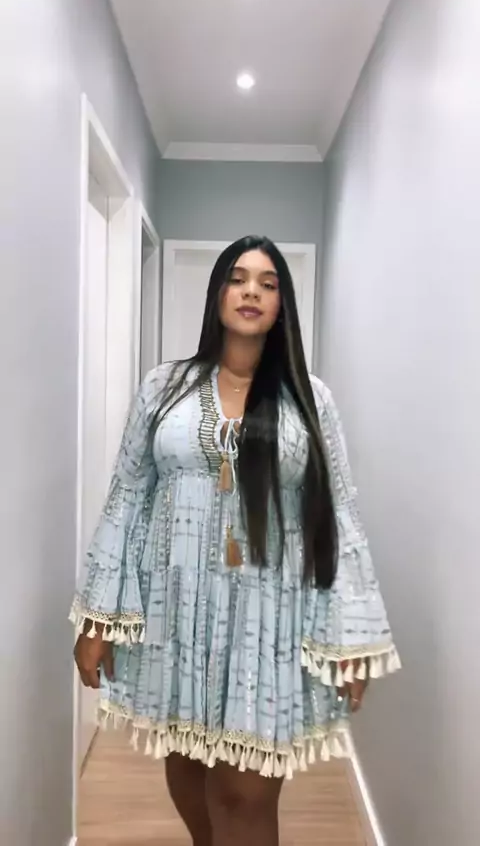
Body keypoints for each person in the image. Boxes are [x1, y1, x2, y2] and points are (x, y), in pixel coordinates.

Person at [71, 235, 400, 846]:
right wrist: (98, 618)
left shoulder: (310, 398)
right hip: (176, 609)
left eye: (268, 284)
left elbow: (339, 513)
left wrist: (352, 634)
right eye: (238, 278)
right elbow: (126, 498)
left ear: (282, 306)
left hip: (267, 615)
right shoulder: (163, 387)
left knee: (246, 792)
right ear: (218, 292)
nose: (252, 292)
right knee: (188, 761)